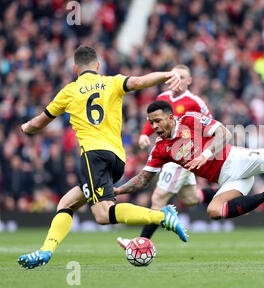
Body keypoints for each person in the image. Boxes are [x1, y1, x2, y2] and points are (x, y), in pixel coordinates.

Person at [17, 46, 188, 270]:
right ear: (98, 66)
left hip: (93, 156)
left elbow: (38, 123)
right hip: (117, 158)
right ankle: (45, 251)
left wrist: (26, 127)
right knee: (67, 203)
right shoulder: (112, 82)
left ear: (75, 68)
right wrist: (166, 74)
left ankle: (161, 217)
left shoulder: (69, 91)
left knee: (103, 214)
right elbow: (139, 81)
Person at [114, 100, 264, 222]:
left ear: (171, 118)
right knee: (213, 211)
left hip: (236, 160)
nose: (154, 127)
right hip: (226, 180)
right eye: (150, 123)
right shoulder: (160, 149)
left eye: (157, 121)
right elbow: (143, 179)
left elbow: (225, 134)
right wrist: (117, 191)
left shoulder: (190, 119)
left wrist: (205, 155)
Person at [117, 64, 216, 249]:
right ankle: (226, 196)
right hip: (168, 154)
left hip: (182, 156)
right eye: (174, 76)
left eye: (182, 77)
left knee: (158, 199)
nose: (177, 80)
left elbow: (209, 124)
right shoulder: (162, 98)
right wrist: (145, 134)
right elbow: (153, 120)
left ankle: (139, 244)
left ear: (189, 81)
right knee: (190, 198)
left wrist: (204, 150)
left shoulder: (195, 101)